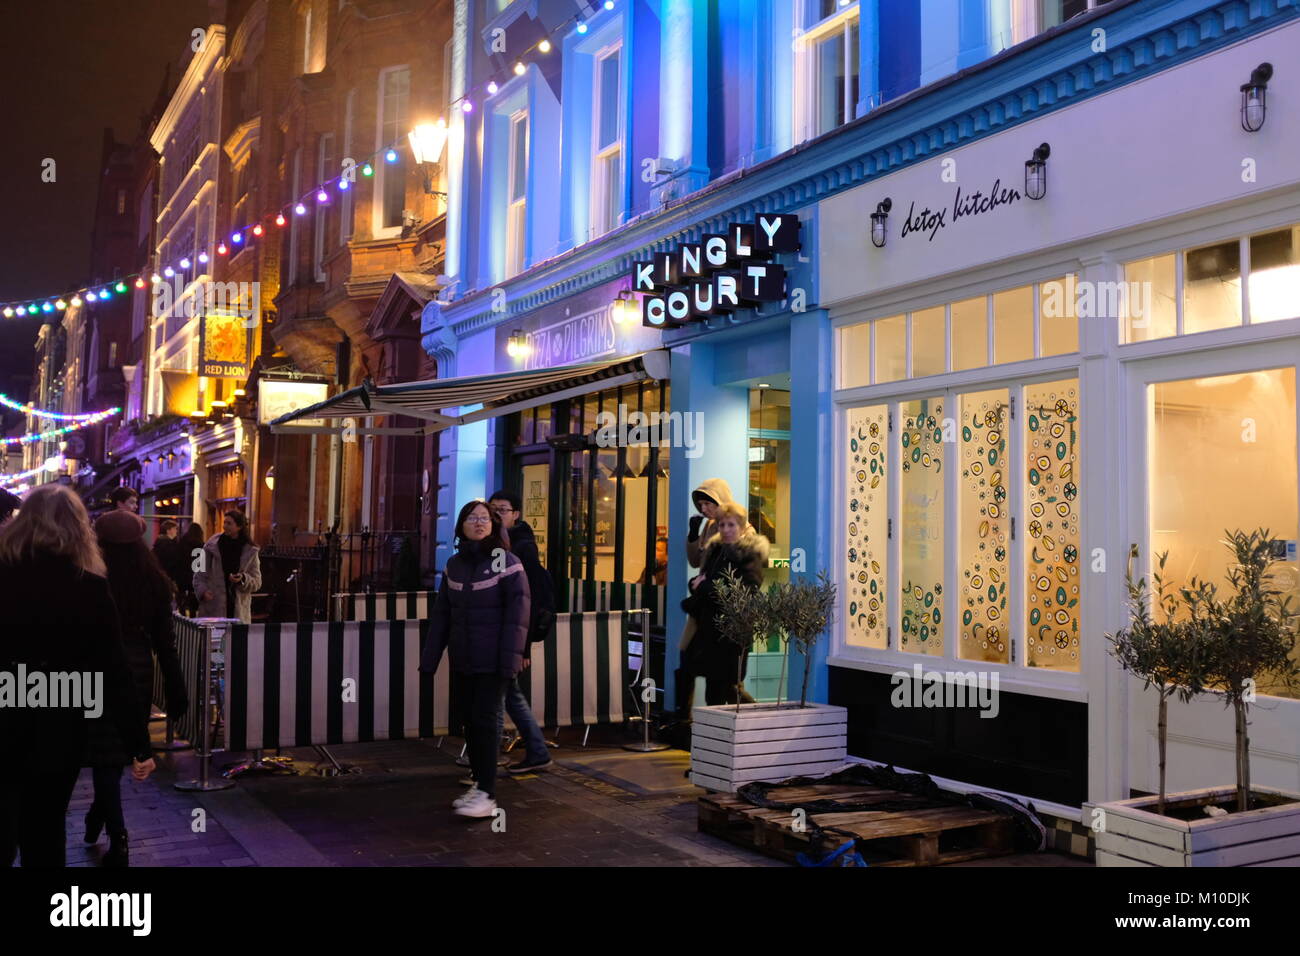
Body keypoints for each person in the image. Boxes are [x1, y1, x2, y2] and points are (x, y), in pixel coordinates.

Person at [0, 485, 155, 868]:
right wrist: (138, 744)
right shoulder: (89, 588)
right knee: (47, 828)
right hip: (60, 719)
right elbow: (115, 671)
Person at [86, 511, 188, 867]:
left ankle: (116, 835)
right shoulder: (153, 582)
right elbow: (165, 643)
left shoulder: (90, 577)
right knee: (116, 752)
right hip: (137, 671)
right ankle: (101, 822)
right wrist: (176, 687)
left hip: (96, 669)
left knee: (105, 756)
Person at [419, 500, 529, 819]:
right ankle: (480, 785)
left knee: (485, 722)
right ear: (461, 526)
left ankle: (488, 794)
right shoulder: (454, 564)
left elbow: (518, 616)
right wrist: (430, 658)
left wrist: (511, 662)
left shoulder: (507, 562)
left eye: (485, 518)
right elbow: (443, 614)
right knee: (469, 722)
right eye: (472, 518)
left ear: (495, 526)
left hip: (493, 662)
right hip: (463, 658)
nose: (479, 523)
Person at [489, 490, 555, 774]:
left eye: (502, 510)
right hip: (498, 634)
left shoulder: (523, 547)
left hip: (509, 637)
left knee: (498, 699)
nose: (496, 515)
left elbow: (529, 599)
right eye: (492, 509)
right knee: (510, 696)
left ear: (516, 514)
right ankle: (536, 751)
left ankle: (486, 763)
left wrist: (524, 647)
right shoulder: (493, 543)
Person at [682, 501, 770, 705]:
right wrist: (695, 584)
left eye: (731, 525)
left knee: (727, 689)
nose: (726, 530)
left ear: (741, 527)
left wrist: (703, 586)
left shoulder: (749, 554)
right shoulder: (715, 550)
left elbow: (746, 592)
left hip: (731, 633)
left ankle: (754, 726)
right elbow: (704, 579)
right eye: (722, 525)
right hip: (709, 629)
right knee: (714, 689)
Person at [194, 511, 262, 624]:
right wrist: (203, 591)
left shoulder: (250, 550)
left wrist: (243, 579)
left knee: (236, 640)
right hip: (214, 605)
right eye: (224, 522)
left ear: (239, 526)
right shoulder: (211, 546)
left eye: (229, 523)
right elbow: (199, 575)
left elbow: (257, 582)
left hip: (238, 608)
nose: (224, 526)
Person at [176, 521, 206, 614]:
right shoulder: (201, 546)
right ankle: (193, 612)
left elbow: (178, 559)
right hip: (195, 573)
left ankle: (182, 610)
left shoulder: (182, 543)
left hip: (182, 573)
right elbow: (202, 564)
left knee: (181, 593)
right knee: (193, 594)